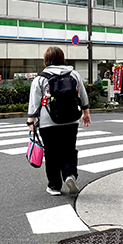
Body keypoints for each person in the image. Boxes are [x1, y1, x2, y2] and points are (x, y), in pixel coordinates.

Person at [27, 47, 91, 196]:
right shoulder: (74, 74)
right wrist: (85, 112)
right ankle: (70, 175)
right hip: (71, 120)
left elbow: (34, 102)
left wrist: (31, 121)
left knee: (51, 153)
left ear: (46, 60)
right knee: (69, 149)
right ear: (62, 58)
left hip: (48, 122)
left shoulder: (41, 78)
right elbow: (82, 94)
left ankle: (54, 186)